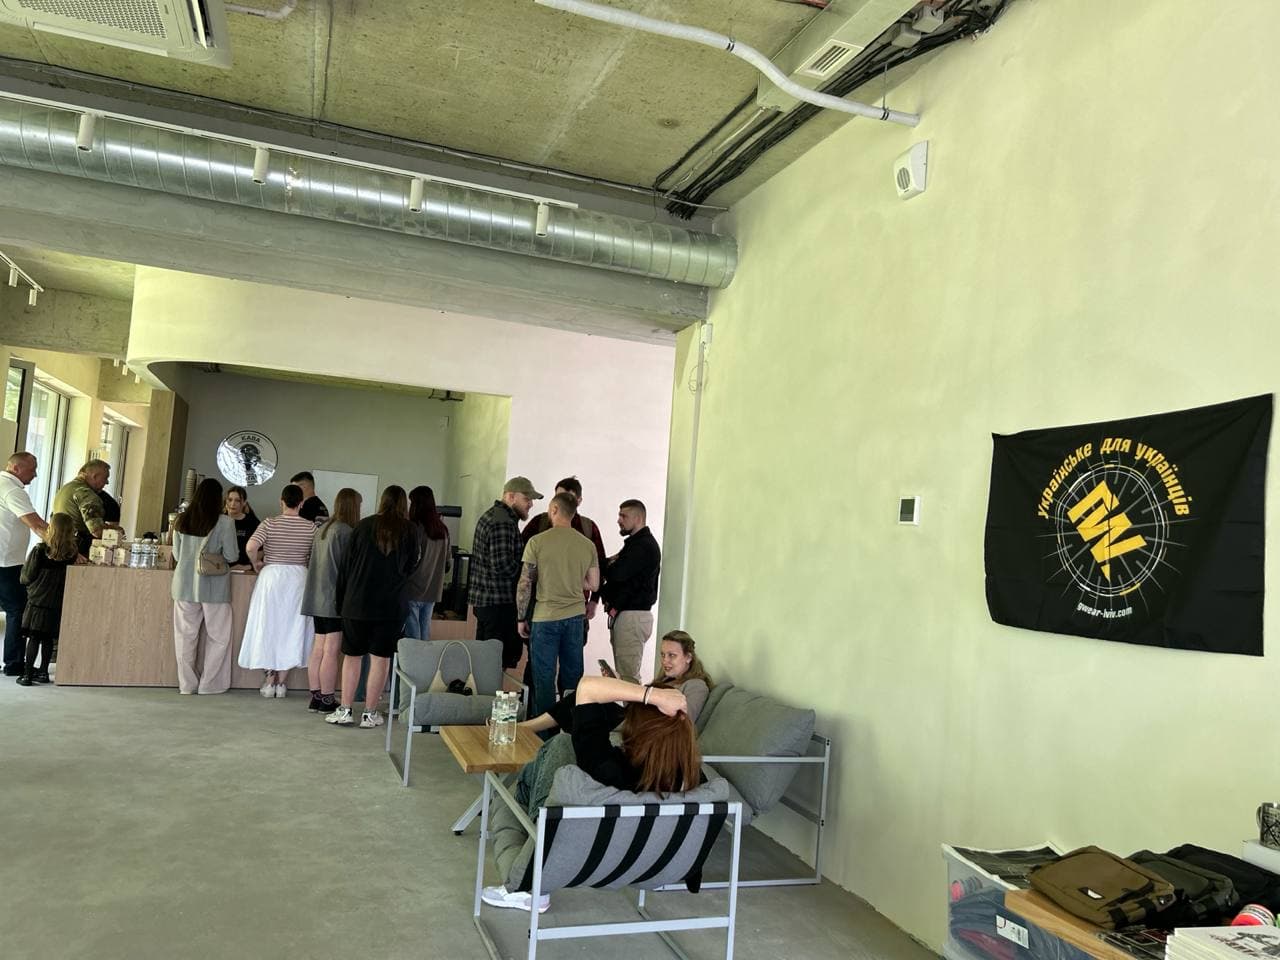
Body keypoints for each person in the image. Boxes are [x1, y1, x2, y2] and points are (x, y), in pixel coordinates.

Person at [482, 675, 696, 913]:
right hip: (648, 865)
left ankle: (532, 890)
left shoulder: (603, 764)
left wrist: (651, 695)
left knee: (555, 749)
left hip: (569, 854)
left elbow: (586, 687)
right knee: (558, 748)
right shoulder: (691, 780)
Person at [327, 485, 422, 729]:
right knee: (380, 659)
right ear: (404, 504)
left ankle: (345, 709)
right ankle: (370, 714)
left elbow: (345, 568)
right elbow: (412, 567)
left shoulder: (362, 526)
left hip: (356, 603)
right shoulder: (410, 530)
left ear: (382, 501)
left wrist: (341, 602)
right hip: (391, 606)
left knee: (352, 657)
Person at [518, 491, 600, 720]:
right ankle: (570, 728)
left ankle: (543, 733)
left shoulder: (537, 542)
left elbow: (525, 583)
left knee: (543, 679)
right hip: (575, 618)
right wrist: (573, 580)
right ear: (573, 513)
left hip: (544, 618)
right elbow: (594, 583)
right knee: (572, 679)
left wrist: (521, 617)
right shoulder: (587, 545)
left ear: (554, 509)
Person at [237, 484, 315, 698]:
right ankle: (282, 683)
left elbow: (250, 547)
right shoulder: (310, 528)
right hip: (298, 578)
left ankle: (269, 681)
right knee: (291, 629)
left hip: (272, 577)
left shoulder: (269, 523)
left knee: (268, 626)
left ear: (281, 501)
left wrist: (256, 563)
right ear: (301, 503)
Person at [170, 478, 240, 695]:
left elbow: (177, 555)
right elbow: (232, 555)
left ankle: (187, 685)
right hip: (215, 587)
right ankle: (210, 684)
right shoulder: (225, 523)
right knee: (218, 637)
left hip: (184, 585)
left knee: (185, 637)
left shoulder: (181, 520)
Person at [520, 476, 607, 641]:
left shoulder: (588, 527)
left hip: (576, 609)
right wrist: (522, 612)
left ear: (579, 501)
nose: (562, 502)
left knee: (563, 655)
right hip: (540, 606)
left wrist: (594, 601)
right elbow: (523, 566)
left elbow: (601, 566)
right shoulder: (539, 523)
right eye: (558, 496)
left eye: (568, 497)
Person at [471, 477, 542, 670]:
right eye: (527, 498)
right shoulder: (502, 522)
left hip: (489, 604)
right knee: (493, 665)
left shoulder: (496, 516)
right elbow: (502, 565)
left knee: (486, 663)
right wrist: (531, 574)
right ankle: (491, 692)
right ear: (511, 496)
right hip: (498, 606)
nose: (531, 504)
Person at [301, 487, 361, 713]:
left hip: (316, 597)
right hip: (334, 599)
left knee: (318, 647)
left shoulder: (323, 529)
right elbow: (350, 569)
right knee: (332, 649)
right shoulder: (346, 532)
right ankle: (327, 698)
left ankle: (316, 696)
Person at [599, 499, 661, 683]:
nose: (619, 520)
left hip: (632, 618)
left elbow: (617, 574)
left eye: (623, 516)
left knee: (628, 679)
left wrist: (609, 566)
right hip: (629, 617)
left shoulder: (642, 546)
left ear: (638, 518)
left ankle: (633, 705)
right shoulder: (636, 544)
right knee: (625, 676)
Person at [15, 514, 78, 686]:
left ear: (51, 528)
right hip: (56, 602)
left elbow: (27, 576)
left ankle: (27, 675)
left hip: (37, 601)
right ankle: (43, 672)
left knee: (34, 638)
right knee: (48, 638)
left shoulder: (40, 550)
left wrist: (27, 585)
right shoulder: (71, 554)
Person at [1, 452, 47, 677]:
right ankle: (14, 663)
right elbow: (36, 524)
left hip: (5, 560)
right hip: (6, 563)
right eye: (32, 469)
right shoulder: (12, 490)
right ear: (16, 468)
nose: (35, 474)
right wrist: (65, 547)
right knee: (17, 610)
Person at [403, 485, 450, 641]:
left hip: (412, 589)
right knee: (424, 634)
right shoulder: (443, 530)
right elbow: (447, 564)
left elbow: (409, 560)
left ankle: (415, 658)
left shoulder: (414, 528)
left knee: (413, 638)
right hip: (433, 590)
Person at [52, 459, 112, 557]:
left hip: (58, 547)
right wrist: (115, 531)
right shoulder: (86, 494)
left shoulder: (65, 489)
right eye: (105, 478)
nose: (107, 482)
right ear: (95, 476)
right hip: (77, 551)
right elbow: (97, 531)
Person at [656, 630, 714, 724]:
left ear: (688, 658)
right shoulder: (667, 679)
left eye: (672, 655)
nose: (664, 660)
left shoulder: (697, 686)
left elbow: (684, 723)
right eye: (663, 655)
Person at [223, 485, 259, 568]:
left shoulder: (252, 522)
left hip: (243, 569)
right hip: (221, 569)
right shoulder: (219, 521)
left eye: (237, 500)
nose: (233, 504)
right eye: (230, 500)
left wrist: (249, 566)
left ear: (244, 502)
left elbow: (261, 549)